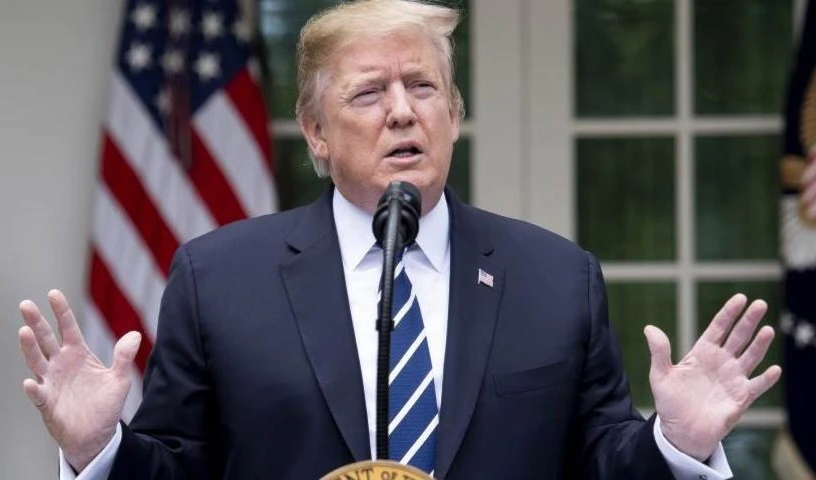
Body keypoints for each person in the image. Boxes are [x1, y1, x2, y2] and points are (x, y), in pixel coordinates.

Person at [18, 1, 782, 478]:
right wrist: (98, 451)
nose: (401, 113)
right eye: (367, 93)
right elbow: (176, 472)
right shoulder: (220, 279)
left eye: (422, 87)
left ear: (452, 111)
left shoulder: (555, 277)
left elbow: (602, 464)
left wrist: (674, 445)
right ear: (315, 133)